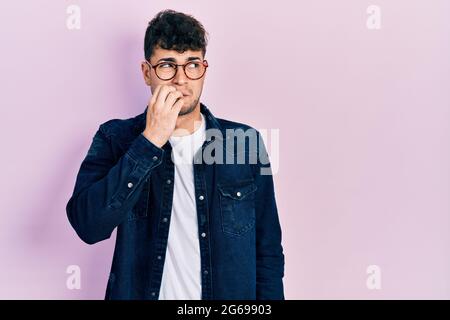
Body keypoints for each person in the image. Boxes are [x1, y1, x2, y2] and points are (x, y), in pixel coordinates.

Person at [66, 9, 284, 300]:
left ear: (204, 68)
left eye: (192, 64)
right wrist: (150, 140)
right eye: (168, 65)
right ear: (146, 72)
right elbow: (88, 226)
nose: (182, 79)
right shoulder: (114, 138)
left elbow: (268, 252)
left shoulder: (245, 144)